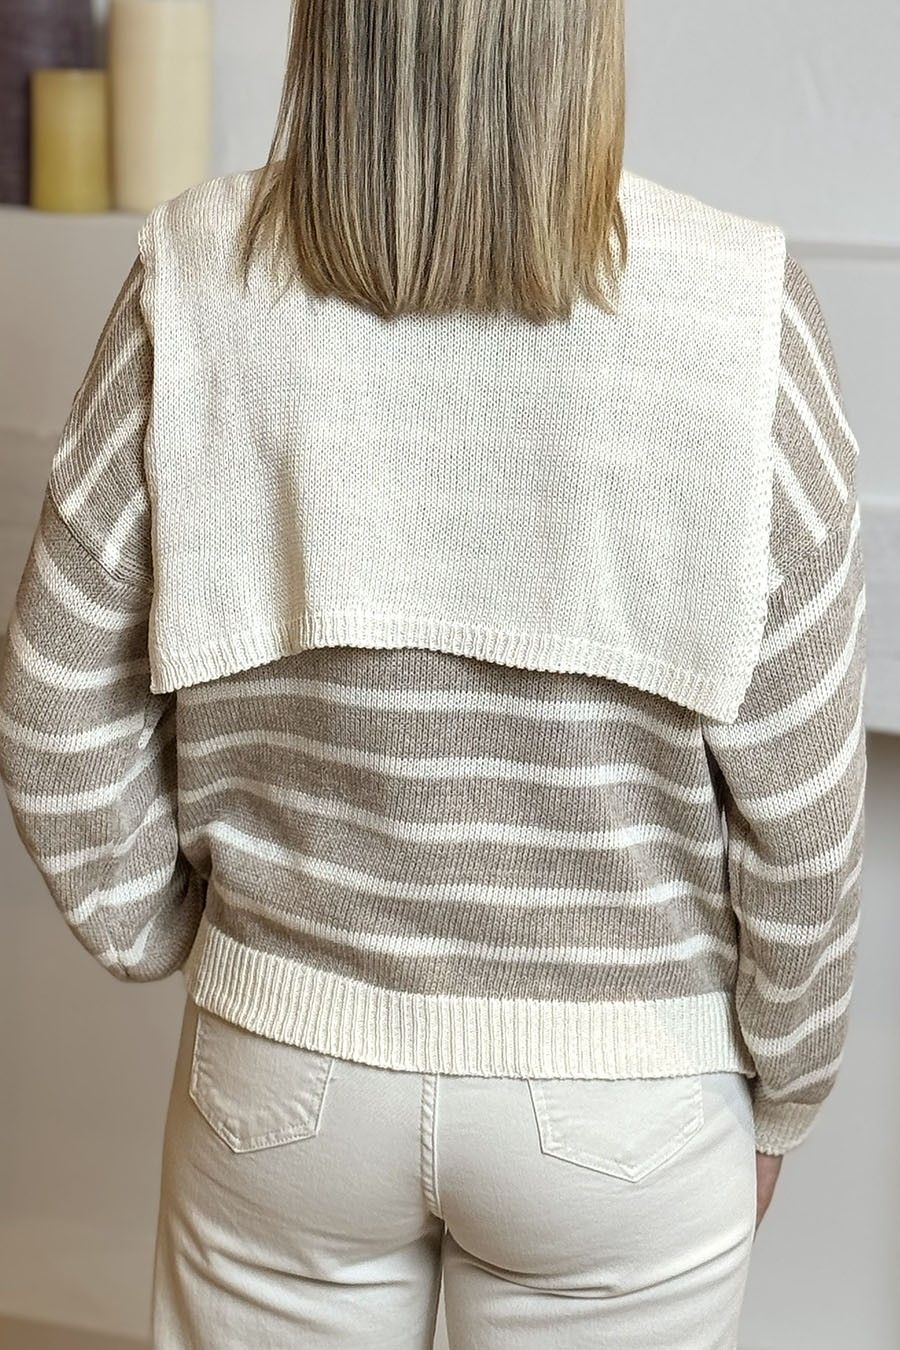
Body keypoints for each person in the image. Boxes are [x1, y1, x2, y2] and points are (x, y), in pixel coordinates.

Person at [0, 1, 866, 1346]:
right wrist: (788, 1094)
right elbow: (804, 820)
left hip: (289, 1075)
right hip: (624, 1107)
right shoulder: (740, 312)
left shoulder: (191, 280)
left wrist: (179, 933)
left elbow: (53, 703)